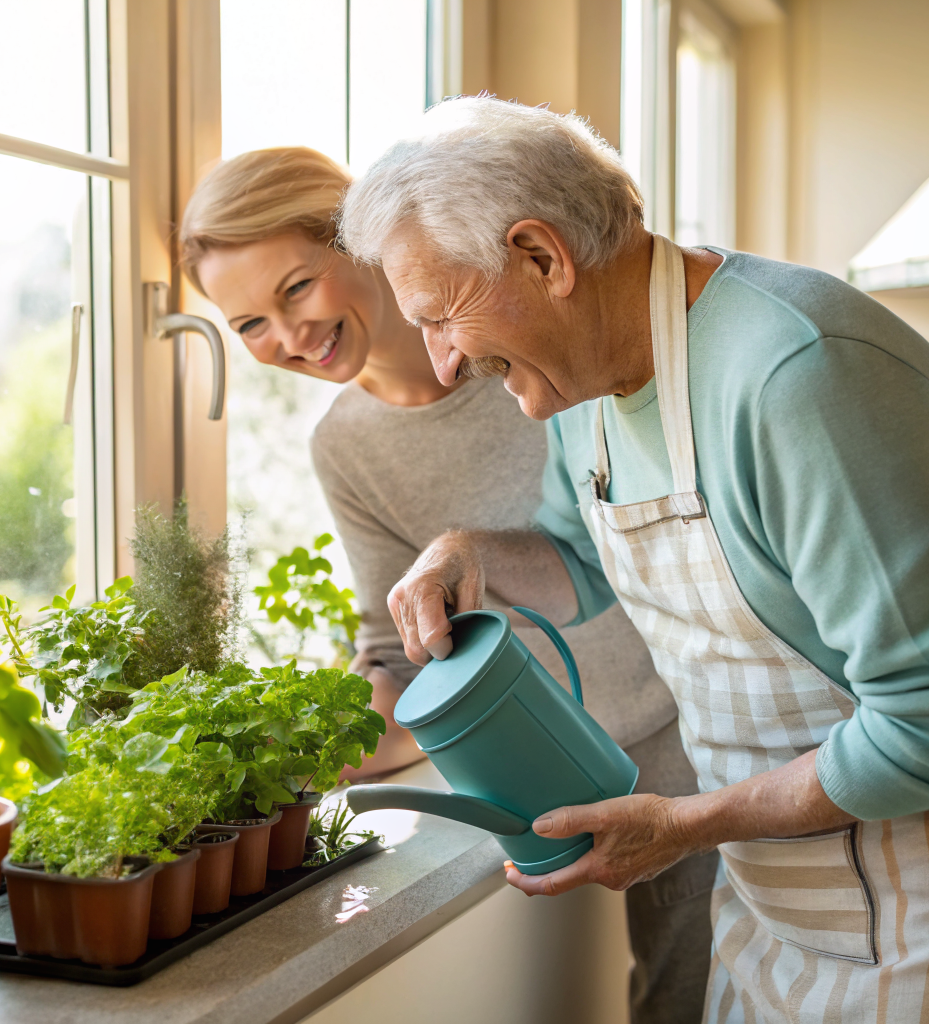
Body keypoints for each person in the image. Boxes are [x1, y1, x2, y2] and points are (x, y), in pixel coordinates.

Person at [338, 96, 929, 1023]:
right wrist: (466, 551)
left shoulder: (801, 374)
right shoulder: (588, 388)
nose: (440, 364)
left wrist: (684, 825)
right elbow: (580, 558)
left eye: (441, 317)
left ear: (541, 257)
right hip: (773, 892)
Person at [180, 146, 717, 1023]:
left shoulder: (532, 333)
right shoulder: (344, 445)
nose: (285, 337)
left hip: (707, 733)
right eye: (247, 325)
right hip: (564, 770)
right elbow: (394, 650)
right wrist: (294, 748)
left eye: (295, 289)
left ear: (361, 239)